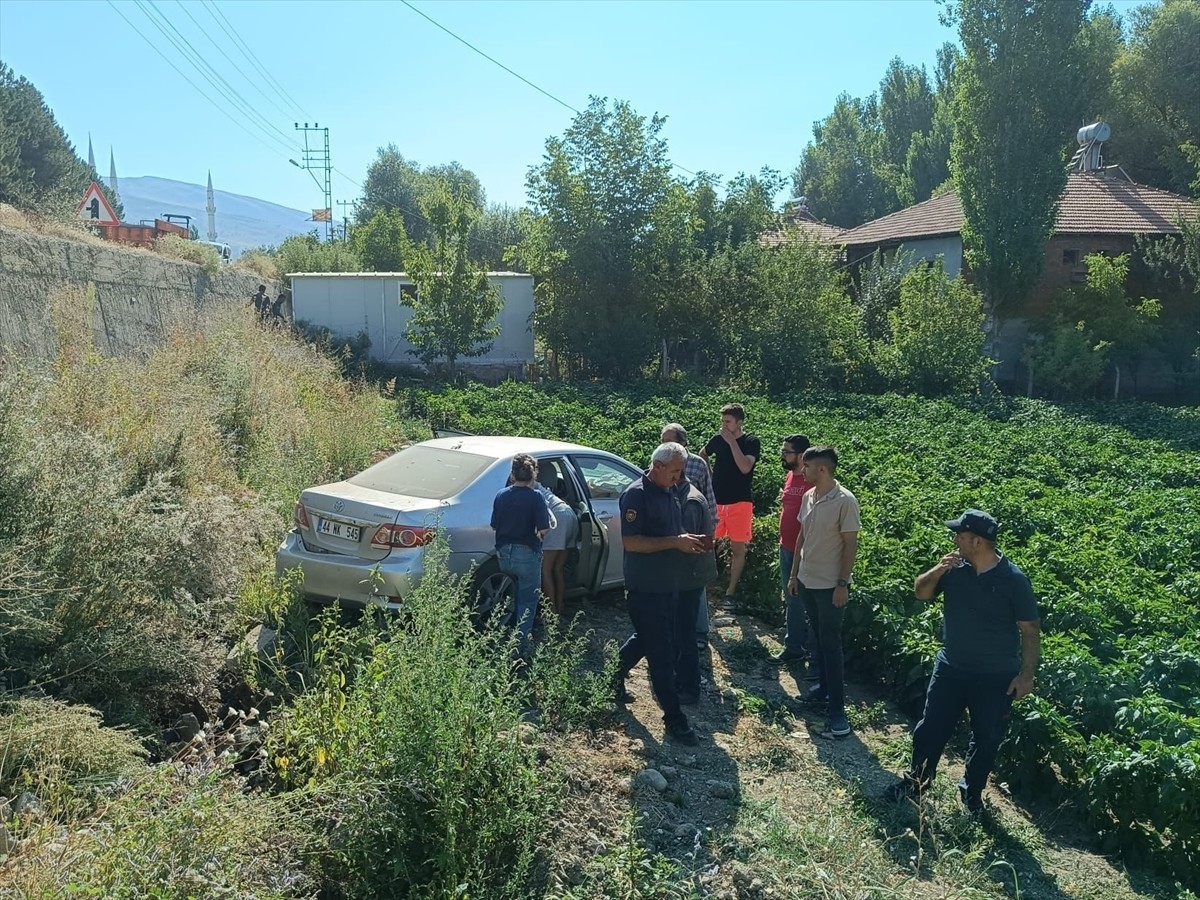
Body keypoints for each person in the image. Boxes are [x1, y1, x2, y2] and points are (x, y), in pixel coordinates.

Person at [886, 510, 1041, 817]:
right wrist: (938, 569)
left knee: (987, 737)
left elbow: (1030, 630)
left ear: (977, 541)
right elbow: (920, 592)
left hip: (995, 676)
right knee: (931, 728)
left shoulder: (1013, 580)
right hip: (952, 668)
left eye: (960, 535)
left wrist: (1026, 675)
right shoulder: (954, 570)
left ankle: (971, 793)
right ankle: (917, 781)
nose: (955, 539)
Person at [614, 442, 708, 746]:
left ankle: (610, 676)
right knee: (663, 653)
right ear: (657, 466)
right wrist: (674, 542)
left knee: (649, 637)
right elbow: (632, 543)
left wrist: (689, 543)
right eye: (675, 471)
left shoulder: (669, 489)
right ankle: (674, 718)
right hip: (645, 586)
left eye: (681, 472)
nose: (679, 477)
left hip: (669, 583)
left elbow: (672, 533)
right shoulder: (636, 495)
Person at [787, 446, 860, 738]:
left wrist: (842, 584)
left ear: (822, 469)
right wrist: (794, 574)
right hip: (807, 580)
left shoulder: (845, 501)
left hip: (830, 586)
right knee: (817, 638)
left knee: (831, 645)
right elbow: (802, 536)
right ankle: (823, 691)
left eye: (806, 467)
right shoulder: (809, 496)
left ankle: (838, 712)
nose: (801, 471)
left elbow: (850, 545)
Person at [661, 422, 717, 650]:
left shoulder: (698, 464)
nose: (664, 445)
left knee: (696, 583)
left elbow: (710, 499)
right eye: (662, 441)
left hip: (694, 530)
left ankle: (700, 633)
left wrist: (711, 534)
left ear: (683, 443)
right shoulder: (659, 462)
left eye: (669, 441)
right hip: (671, 532)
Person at [490, 454, 550, 659]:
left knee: (511, 595)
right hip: (527, 554)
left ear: (513, 474)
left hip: (504, 554)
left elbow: (494, 525)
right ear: (533, 474)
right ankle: (518, 649)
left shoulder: (500, 495)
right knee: (528, 600)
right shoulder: (536, 497)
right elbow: (543, 528)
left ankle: (499, 634)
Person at [701, 403, 760, 613]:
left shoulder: (751, 442)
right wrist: (708, 474)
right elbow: (702, 454)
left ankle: (730, 592)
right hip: (716, 500)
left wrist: (732, 443)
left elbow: (745, 467)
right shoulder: (717, 440)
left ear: (739, 422)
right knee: (708, 542)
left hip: (740, 502)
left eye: (728, 422)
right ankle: (704, 586)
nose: (724, 426)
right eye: (722, 421)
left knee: (738, 548)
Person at [771, 434, 815, 668]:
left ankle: (797, 647)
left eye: (787, 452)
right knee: (791, 598)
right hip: (786, 545)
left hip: (805, 551)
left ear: (800, 455)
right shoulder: (790, 475)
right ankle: (796, 643)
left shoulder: (812, 480)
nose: (783, 455)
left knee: (799, 599)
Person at [537, 462, 577, 621]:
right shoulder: (540, 486)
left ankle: (551, 614)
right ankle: (559, 608)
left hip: (557, 517)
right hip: (567, 512)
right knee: (558, 568)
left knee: (545, 569)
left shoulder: (526, 486)